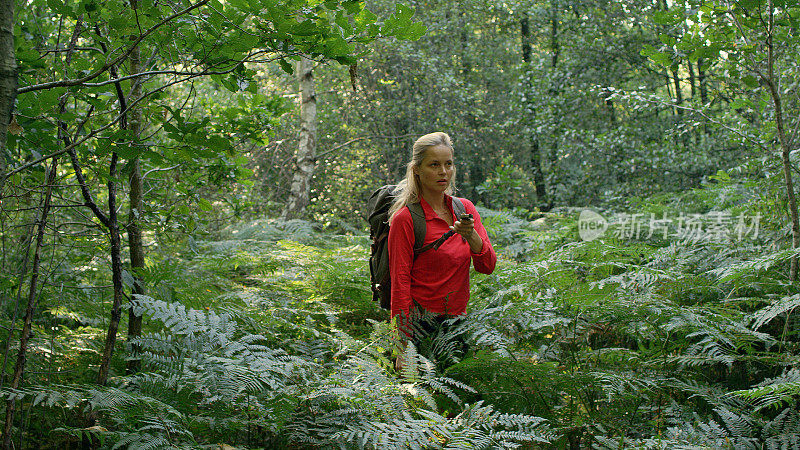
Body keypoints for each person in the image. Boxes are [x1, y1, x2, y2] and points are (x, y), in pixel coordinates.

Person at [387, 132, 496, 371]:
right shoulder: (406, 219)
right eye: (434, 165)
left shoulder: (464, 209)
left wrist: (470, 234)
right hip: (419, 328)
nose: (443, 172)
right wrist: (402, 345)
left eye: (448, 164)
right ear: (417, 169)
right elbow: (400, 282)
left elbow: (487, 266)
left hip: (458, 324)